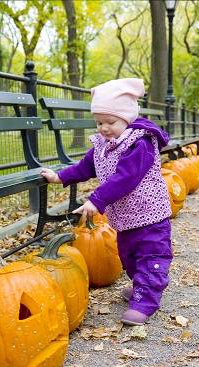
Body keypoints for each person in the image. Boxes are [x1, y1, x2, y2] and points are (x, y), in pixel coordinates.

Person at [41, 78, 173, 326]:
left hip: (151, 215)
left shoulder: (140, 144)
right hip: (126, 218)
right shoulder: (103, 144)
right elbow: (86, 167)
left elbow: (126, 178)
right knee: (129, 256)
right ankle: (141, 285)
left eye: (110, 122)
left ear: (127, 118)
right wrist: (60, 177)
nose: (103, 128)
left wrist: (96, 200)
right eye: (99, 122)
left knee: (150, 255)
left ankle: (146, 299)